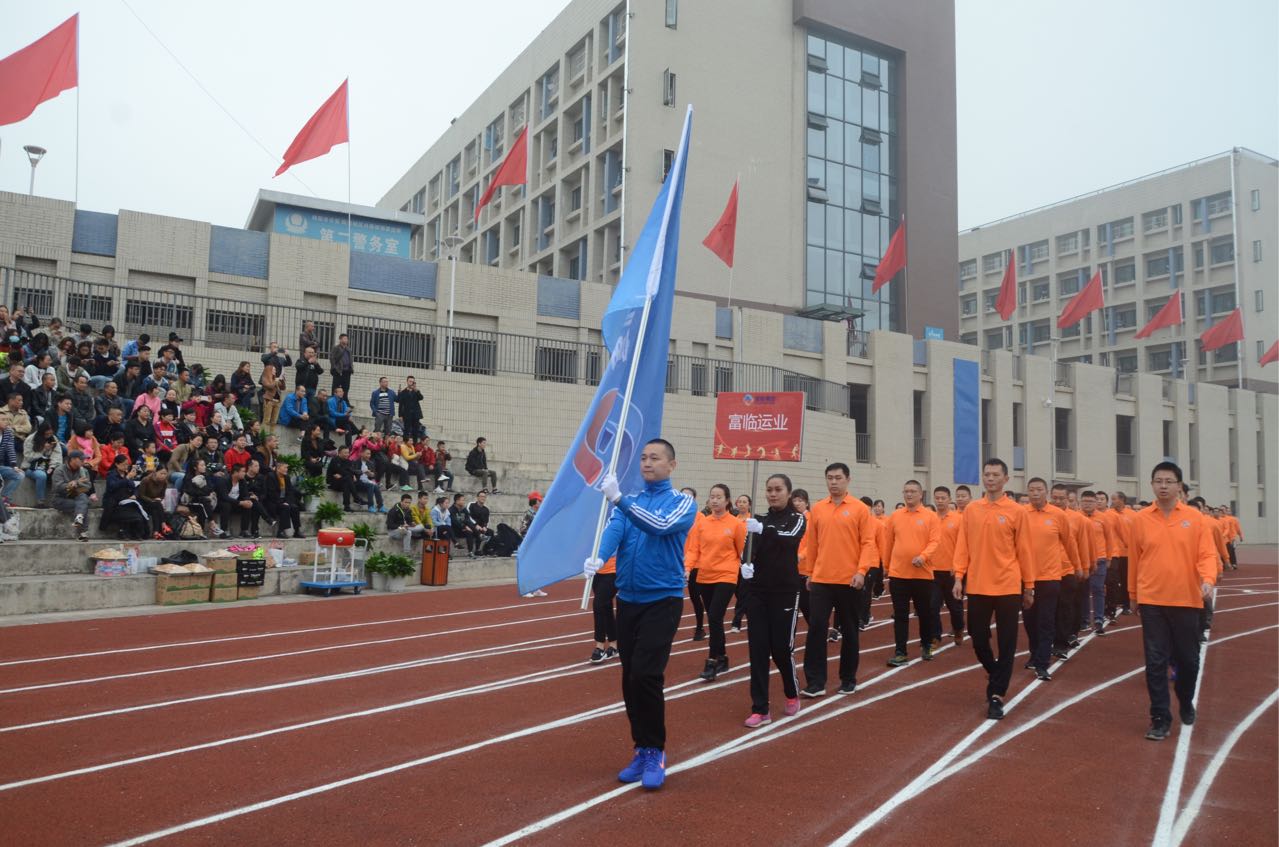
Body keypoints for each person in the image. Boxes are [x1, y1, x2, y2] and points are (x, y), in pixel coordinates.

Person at [583, 438, 695, 791]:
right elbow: (616, 528)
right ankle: (641, 747)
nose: (647, 463)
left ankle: (656, 751)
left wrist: (620, 499)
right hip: (628, 598)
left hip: (663, 599)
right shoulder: (631, 502)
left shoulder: (682, 503)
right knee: (630, 676)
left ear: (671, 465)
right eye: (644, 457)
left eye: (655, 458)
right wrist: (599, 556)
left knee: (647, 674)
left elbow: (658, 525)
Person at [1129, 461, 1218, 741]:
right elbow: (1135, 559)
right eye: (1158, 481)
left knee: (1188, 660)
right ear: (1152, 485)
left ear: (1179, 486)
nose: (1163, 486)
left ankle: (1185, 697)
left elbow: (1206, 555)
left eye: (1169, 481)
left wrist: (1207, 579)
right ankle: (1160, 718)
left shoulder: (1195, 519)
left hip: (1187, 600)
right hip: (1152, 599)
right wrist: (1133, 594)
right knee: (1155, 661)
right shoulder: (1141, 519)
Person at [952, 458, 1034, 720]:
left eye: (995, 475)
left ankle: (997, 694)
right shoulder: (972, 510)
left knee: (1007, 642)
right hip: (977, 585)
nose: (990, 478)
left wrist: (1029, 586)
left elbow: (1025, 551)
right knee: (978, 638)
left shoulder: (1016, 511)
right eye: (986, 474)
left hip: (1008, 585)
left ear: (1005, 479)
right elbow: (962, 546)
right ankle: (995, 671)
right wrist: (958, 577)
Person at [800, 463, 878, 698]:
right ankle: (815, 681)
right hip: (822, 579)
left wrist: (861, 571)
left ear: (848, 480)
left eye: (838, 478)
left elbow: (868, 543)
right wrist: (810, 572)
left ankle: (848, 678)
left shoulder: (859, 509)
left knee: (850, 630)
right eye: (830, 478)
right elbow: (812, 544)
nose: (833, 482)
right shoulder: (818, 509)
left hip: (850, 581)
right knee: (816, 629)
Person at [740, 473, 806, 728]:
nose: (773, 494)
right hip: (758, 592)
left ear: (788, 493)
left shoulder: (797, 519)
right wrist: (745, 566)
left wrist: (763, 530)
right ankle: (760, 708)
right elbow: (749, 551)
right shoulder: (758, 520)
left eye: (778, 489)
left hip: (785, 592)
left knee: (781, 647)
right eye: (769, 489)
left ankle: (791, 692)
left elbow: (789, 541)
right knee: (757, 650)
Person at [1020, 477, 1080, 681]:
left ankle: (1042, 663)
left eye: (1039, 489)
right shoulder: (1021, 514)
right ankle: (1034, 653)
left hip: (1050, 577)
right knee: (1029, 620)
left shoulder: (1057, 515)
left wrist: (1077, 565)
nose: (1035, 493)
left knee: (1046, 620)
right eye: (1031, 490)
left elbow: (1069, 542)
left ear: (1046, 492)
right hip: (1025, 577)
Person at [686, 484, 746, 682]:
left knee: (714, 616)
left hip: (727, 575)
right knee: (715, 619)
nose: (715, 500)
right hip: (705, 575)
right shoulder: (702, 523)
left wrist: (744, 567)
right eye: (712, 496)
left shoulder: (736, 524)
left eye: (719, 497)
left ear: (727, 500)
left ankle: (711, 661)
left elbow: (741, 550)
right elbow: (694, 549)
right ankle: (723, 656)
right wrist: (688, 568)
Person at [882, 480, 941, 665]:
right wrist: (886, 565)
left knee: (925, 613)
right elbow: (888, 542)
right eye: (906, 491)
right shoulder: (896, 516)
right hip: (898, 574)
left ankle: (925, 645)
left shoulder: (931, 516)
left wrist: (923, 557)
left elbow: (935, 542)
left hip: (922, 575)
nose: (909, 495)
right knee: (900, 614)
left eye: (913, 491)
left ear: (921, 494)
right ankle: (901, 651)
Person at [1051, 483, 1092, 657]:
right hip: (1046, 571)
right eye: (1055, 498)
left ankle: (1061, 643)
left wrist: (1084, 567)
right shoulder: (1041, 515)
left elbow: (1083, 545)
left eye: (1062, 498)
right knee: (1046, 609)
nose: (1058, 501)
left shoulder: (1078, 519)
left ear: (1068, 499)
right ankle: (1047, 640)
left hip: (1068, 570)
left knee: (1065, 607)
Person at [929, 486, 965, 646]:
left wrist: (957, 567)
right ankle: (935, 636)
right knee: (932, 606)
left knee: (954, 607)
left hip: (951, 571)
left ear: (949, 499)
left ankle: (958, 629)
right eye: (937, 498)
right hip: (932, 570)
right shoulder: (930, 518)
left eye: (943, 498)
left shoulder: (958, 519)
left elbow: (962, 545)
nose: (940, 501)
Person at [1080, 491, 1111, 634]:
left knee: (1098, 589)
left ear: (1095, 503)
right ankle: (1084, 619)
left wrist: (1109, 557)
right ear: (1081, 502)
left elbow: (1109, 539)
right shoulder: (1076, 517)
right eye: (1085, 501)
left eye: (1090, 501)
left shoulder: (1103, 518)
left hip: (1100, 559)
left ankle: (1098, 619)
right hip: (1081, 560)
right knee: (1082, 591)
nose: (1087, 504)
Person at [50, 449, 96, 541]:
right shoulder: (59, 470)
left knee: (82, 498)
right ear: (73, 459)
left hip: (76, 496)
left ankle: (79, 517)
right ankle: (82, 532)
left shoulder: (83, 470)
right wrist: (70, 484)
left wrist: (76, 483)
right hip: (60, 498)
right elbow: (57, 487)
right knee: (83, 505)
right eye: (81, 459)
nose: (84, 461)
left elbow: (88, 486)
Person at [680, 486, 707, 641]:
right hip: (675, 562)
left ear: (694, 499)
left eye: (689, 497)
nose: (686, 499)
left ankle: (699, 627)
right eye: (683, 496)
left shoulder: (700, 518)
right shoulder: (674, 515)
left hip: (695, 564)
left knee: (695, 597)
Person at [1106, 491, 1135, 617]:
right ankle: (1112, 604)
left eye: (1114, 498)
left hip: (1128, 552)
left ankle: (1126, 604)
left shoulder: (1132, 514)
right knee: (1113, 580)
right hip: (1113, 552)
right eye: (1111, 499)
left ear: (1122, 499)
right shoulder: (1108, 514)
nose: (1112, 501)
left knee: (1126, 580)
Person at [590, 555, 620, 662]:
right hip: (597, 572)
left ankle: (599, 646)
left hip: (613, 572)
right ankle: (614, 645)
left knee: (598, 605)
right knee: (606, 607)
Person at [22, 425, 61, 506]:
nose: (49, 435)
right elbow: (28, 457)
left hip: (48, 465)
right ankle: (40, 501)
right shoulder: (31, 439)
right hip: (31, 467)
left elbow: (57, 454)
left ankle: (56, 501)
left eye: (51, 433)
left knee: (58, 472)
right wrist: (43, 449)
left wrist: (52, 466)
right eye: (47, 433)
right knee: (41, 475)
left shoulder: (53, 439)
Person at [264, 462, 304, 539]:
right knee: (285, 508)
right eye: (285, 468)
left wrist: (287, 502)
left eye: (287, 468)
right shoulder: (271, 476)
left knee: (295, 508)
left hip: (284, 501)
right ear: (278, 469)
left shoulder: (286, 477)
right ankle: (280, 531)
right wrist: (282, 502)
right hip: (273, 502)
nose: (287, 469)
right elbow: (271, 494)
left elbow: (290, 492)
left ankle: (297, 531)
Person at [259, 362, 284, 432]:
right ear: (269, 370)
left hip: (277, 401)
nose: (275, 371)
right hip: (269, 400)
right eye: (274, 370)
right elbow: (270, 386)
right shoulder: (265, 378)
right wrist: (275, 382)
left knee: (274, 421)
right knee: (266, 420)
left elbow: (283, 388)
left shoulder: (275, 379)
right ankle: (263, 435)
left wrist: (282, 380)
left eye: (275, 370)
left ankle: (271, 435)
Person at [397, 376, 424, 441]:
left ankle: (414, 445)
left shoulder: (416, 391)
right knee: (406, 430)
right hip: (407, 415)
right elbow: (400, 404)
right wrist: (400, 415)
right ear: (407, 382)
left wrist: (416, 390)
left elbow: (421, 398)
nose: (411, 383)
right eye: (410, 381)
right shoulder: (403, 392)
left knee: (415, 431)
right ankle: (405, 443)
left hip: (416, 415)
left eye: (413, 382)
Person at [328, 333, 353, 399]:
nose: (346, 340)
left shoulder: (349, 349)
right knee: (336, 387)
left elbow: (350, 359)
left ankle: (345, 401)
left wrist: (351, 368)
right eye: (344, 338)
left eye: (347, 339)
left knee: (346, 387)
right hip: (339, 371)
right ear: (340, 339)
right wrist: (335, 368)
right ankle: (334, 399)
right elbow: (332, 358)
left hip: (347, 371)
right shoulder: (336, 348)